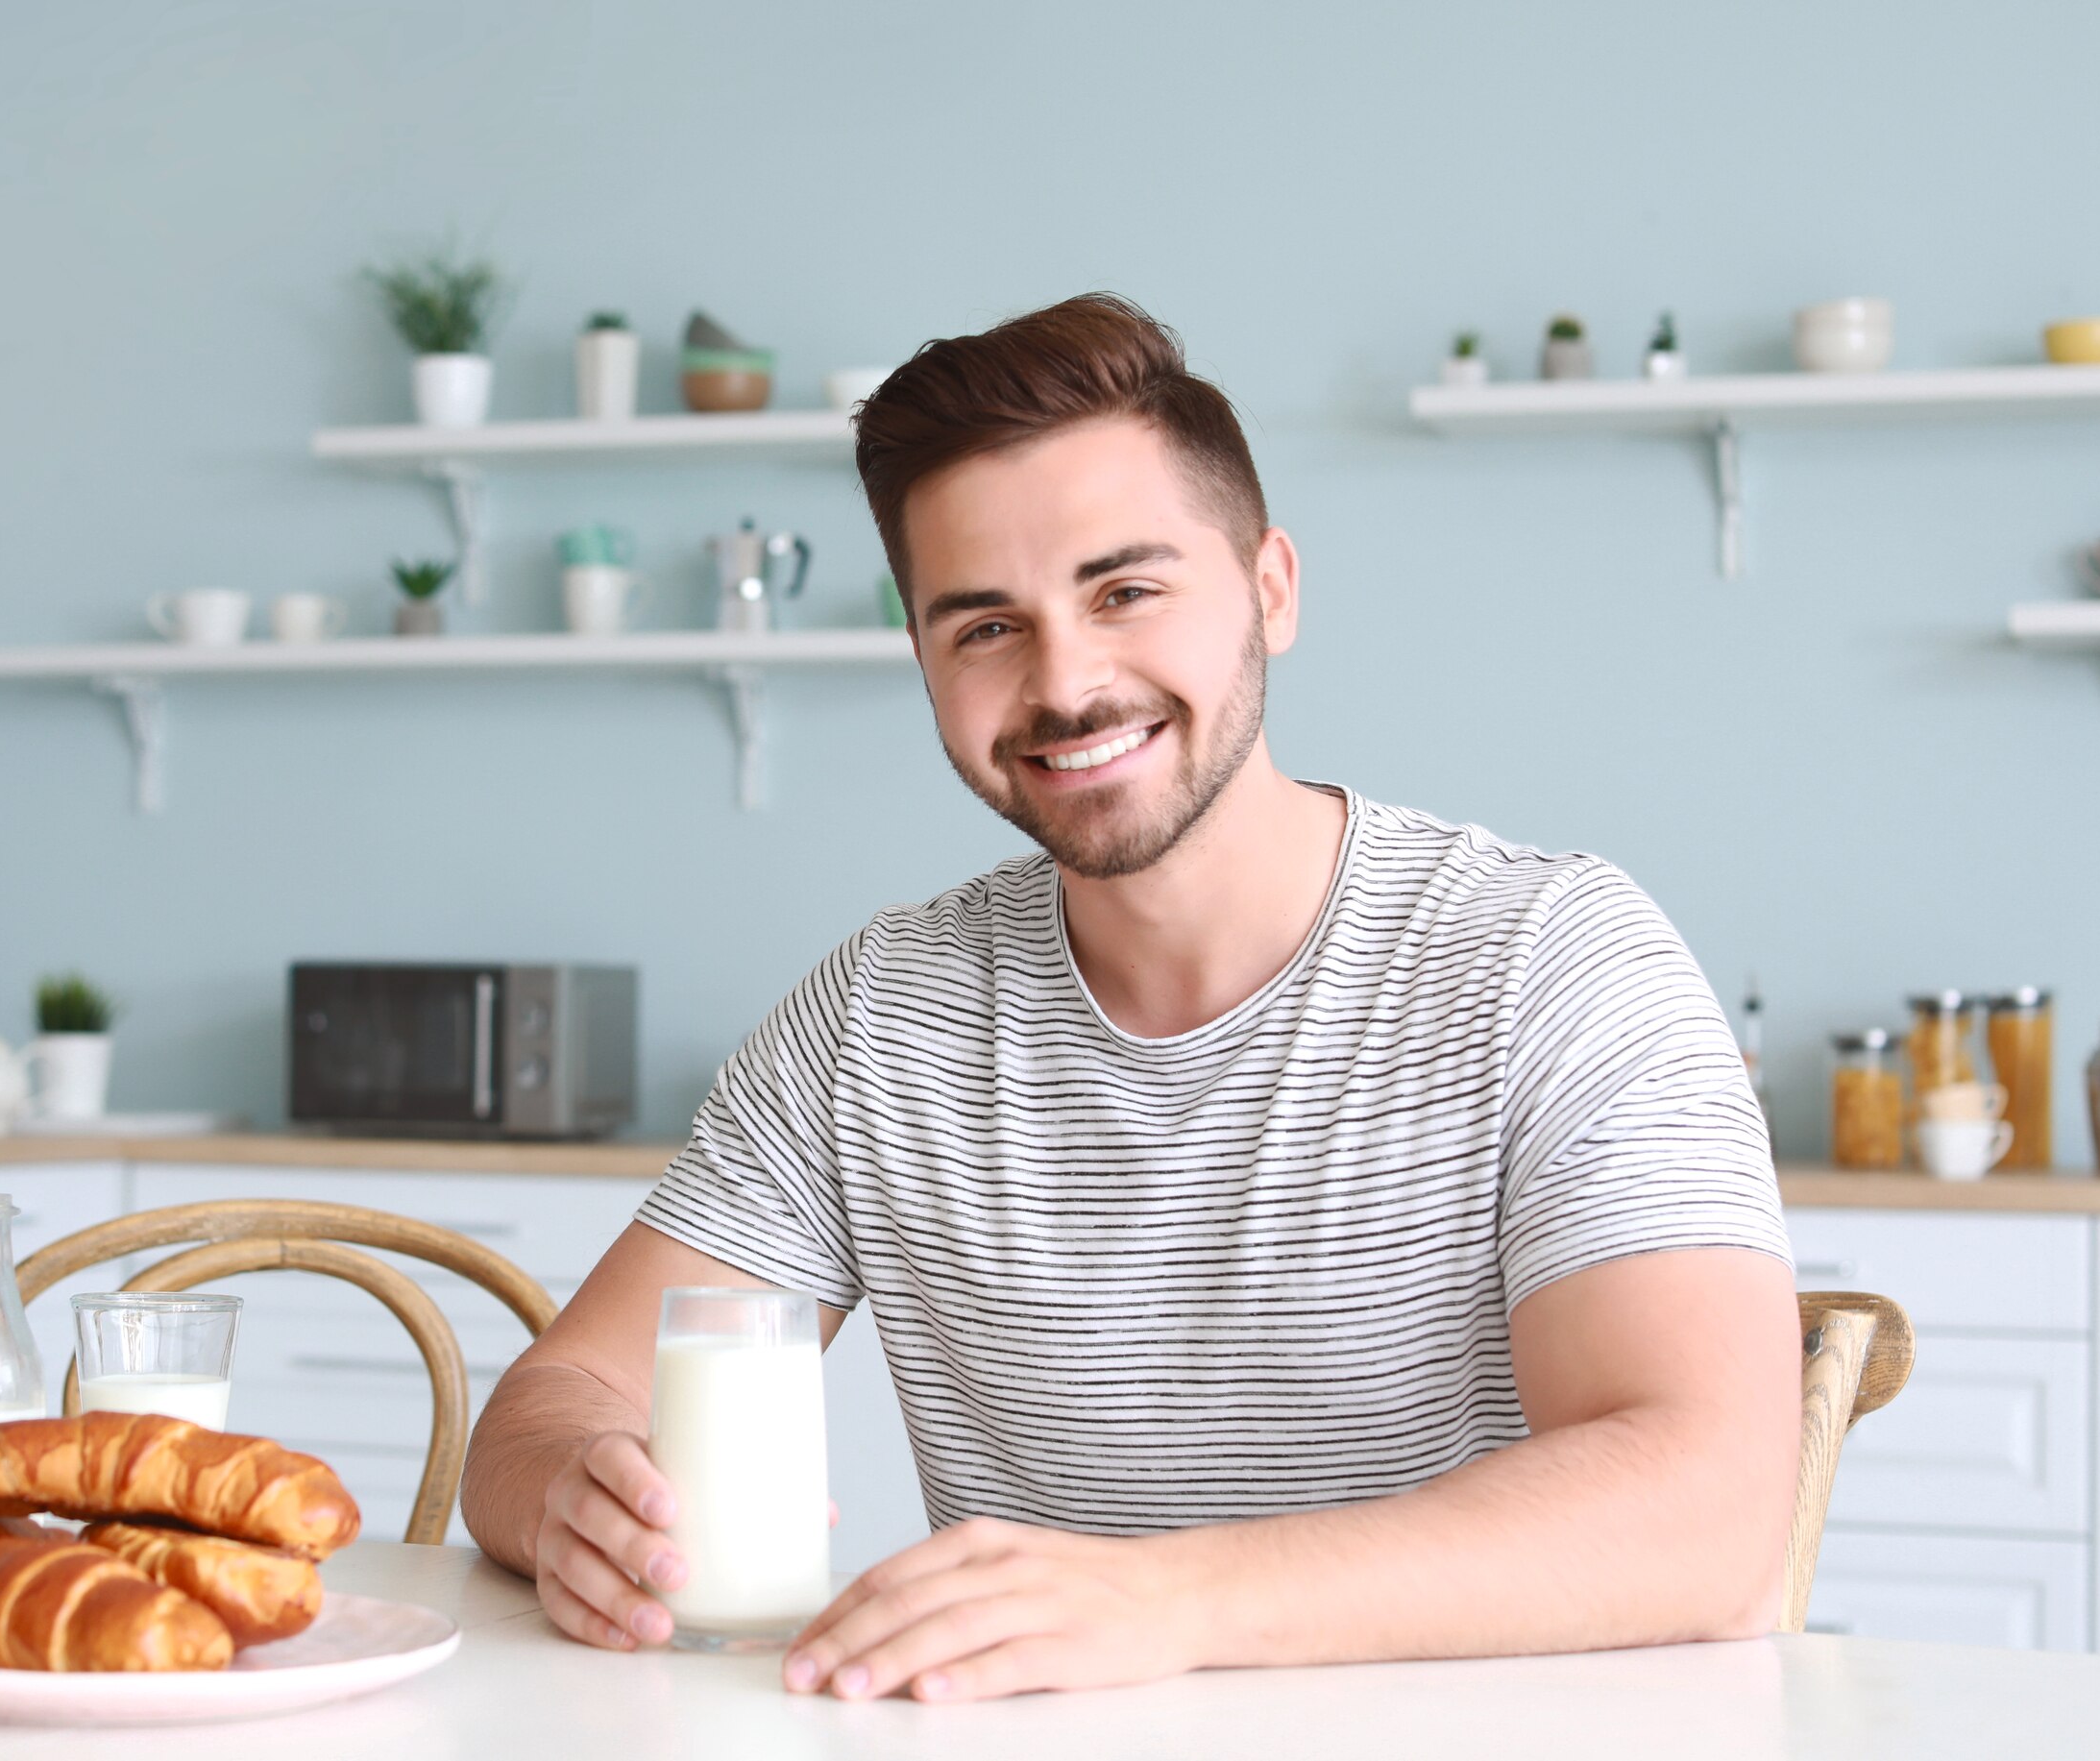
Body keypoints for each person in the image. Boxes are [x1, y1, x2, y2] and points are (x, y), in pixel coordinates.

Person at [458, 294, 1795, 1703]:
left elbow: (1712, 1506)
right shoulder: (883, 1015)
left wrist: (1168, 1596)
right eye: (985, 625)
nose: (1067, 683)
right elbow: (550, 1408)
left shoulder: (1547, 955)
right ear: (922, 659)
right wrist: (576, 1501)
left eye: (1126, 590)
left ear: (1271, 586)